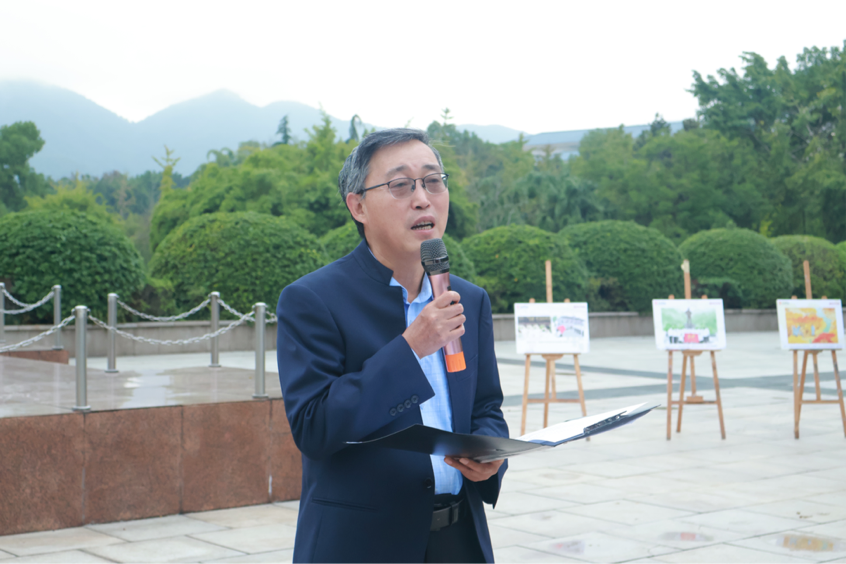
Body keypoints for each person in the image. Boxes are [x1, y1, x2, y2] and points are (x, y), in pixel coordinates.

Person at [276, 128, 508, 563]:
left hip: (459, 539)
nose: (422, 199)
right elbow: (314, 428)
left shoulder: (468, 299)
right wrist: (410, 349)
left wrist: (491, 451)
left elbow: (486, 407)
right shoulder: (313, 300)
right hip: (362, 544)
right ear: (358, 206)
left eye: (433, 181)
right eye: (401, 185)